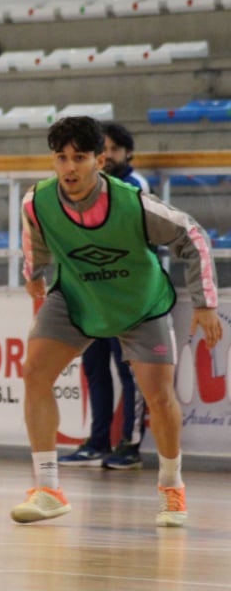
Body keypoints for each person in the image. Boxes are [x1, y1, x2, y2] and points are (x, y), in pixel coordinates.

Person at [13, 115, 222, 528]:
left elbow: (194, 236)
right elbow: (34, 239)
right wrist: (33, 276)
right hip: (77, 299)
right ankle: (49, 489)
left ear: (100, 160)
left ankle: (171, 488)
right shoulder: (37, 201)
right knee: (34, 373)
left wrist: (205, 304)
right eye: (61, 158)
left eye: (80, 157)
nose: (69, 167)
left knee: (160, 399)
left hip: (140, 306)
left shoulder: (135, 203)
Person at [58, 122, 150, 470]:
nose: (108, 155)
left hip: (127, 296)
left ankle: (130, 444)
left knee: (130, 371)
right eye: (104, 149)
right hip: (90, 295)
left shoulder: (133, 186)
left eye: (114, 149)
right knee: (94, 369)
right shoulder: (82, 188)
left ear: (127, 152)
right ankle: (97, 440)